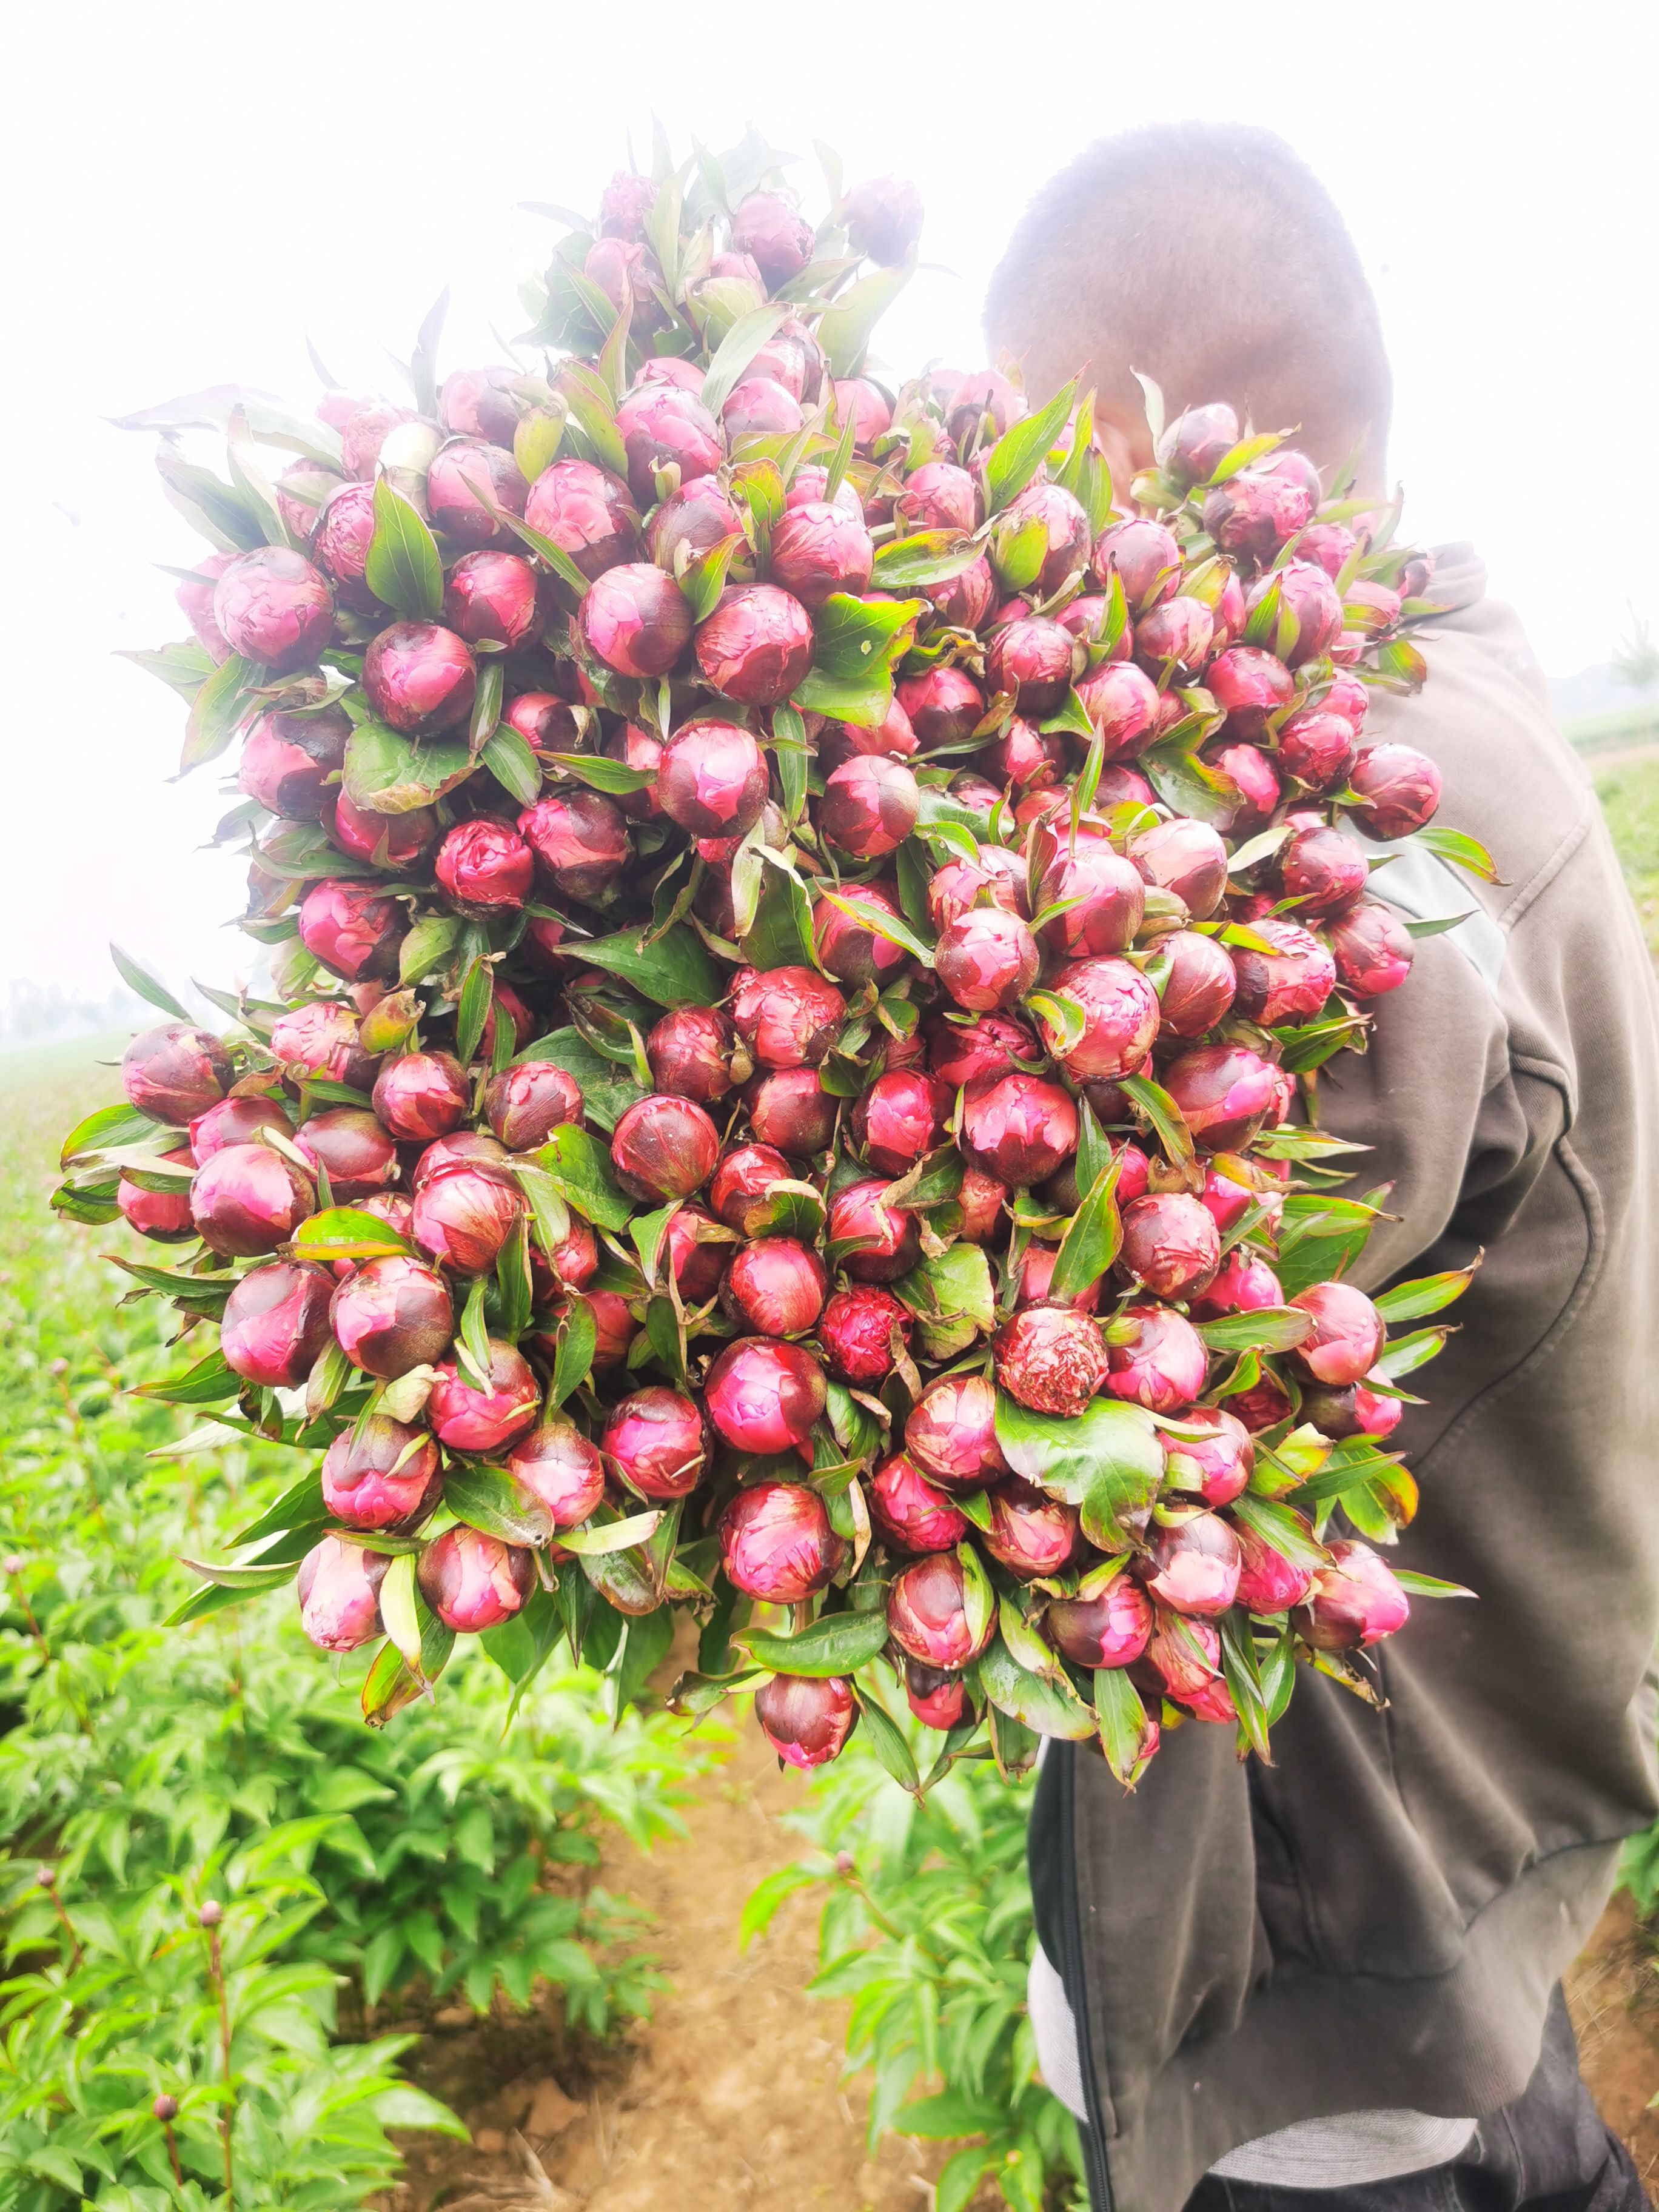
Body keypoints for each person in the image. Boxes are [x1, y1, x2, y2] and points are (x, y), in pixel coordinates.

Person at [982, 123, 1659, 2212]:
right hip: (1424, 1857)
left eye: (1012, 473)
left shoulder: (1347, 852)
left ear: (1150, 459)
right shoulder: (1427, 706)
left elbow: (1086, 1376)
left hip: (1327, 1960)